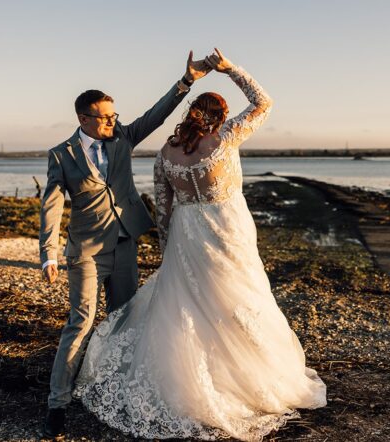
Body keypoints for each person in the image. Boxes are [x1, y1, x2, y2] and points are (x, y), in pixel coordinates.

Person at [73, 48, 327, 441]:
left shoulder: (165, 154)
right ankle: (243, 377)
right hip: (227, 228)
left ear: (191, 113)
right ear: (221, 118)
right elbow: (265, 102)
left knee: (187, 302)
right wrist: (228, 69)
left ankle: (185, 377)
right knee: (239, 299)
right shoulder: (225, 139)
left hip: (186, 233)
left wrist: (167, 247)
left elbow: (161, 207)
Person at [39, 51, 212, 439]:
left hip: (124, 244)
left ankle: (115, 391)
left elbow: (156, 115)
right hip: (84, 251)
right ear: (83, 119)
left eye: (114, 115)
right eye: (104, 116)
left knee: (124, 320)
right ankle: (57, 403)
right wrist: (48, 254)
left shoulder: (122, 139)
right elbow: (50, 206)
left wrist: (185, 83)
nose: (112, 121)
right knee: (80, 323)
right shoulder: (61, 156)